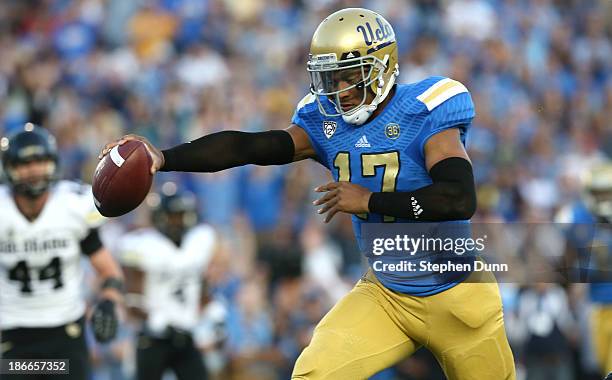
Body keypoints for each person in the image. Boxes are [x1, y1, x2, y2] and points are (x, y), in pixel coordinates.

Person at [100, 8, 515, 379]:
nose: (340, 90)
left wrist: (369, 201)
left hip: (458, 295)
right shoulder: (324, 123)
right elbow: (248, 147)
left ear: (382, 67)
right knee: (314, 373)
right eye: (331, 78)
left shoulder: (425, 110)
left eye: (350, 76)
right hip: (387, 295)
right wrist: (164, 157)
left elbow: (458, 199)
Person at [0, 123, 122, 379]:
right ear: (10, 168)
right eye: (24, 163)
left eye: (40, 161)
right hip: (12, 335)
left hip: (65, 334)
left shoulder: (71, 206)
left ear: (53, 163)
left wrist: (109, 302)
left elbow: (109, 271)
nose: (33, 170)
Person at [118, 185, 216, 380]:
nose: (179, 221)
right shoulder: (143, 245)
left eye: (182, 215)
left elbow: (202, 289)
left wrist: (213, 315)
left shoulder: (198, 242)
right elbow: (132, 299)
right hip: (153, 338)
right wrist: (155, 319)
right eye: (174, 215)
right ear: (160, 217)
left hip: (186, 335)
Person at [557, 162, 612, 377]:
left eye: (608, 193)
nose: (604, 198)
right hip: (591, 303)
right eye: (599, 193)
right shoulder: (577, 217)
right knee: (593, 367)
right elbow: (567, 262)